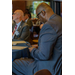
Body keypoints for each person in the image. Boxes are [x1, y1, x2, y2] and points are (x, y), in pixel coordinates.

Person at [12, 2, 62, 75]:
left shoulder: (48, 26)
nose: (39, 19)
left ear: (43, 12)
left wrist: (32, 50)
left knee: (14, 63)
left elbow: (43, 55)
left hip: (46, 68)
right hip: (58, 65)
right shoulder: (59, 20)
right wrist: (39, 47)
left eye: (38, 15)